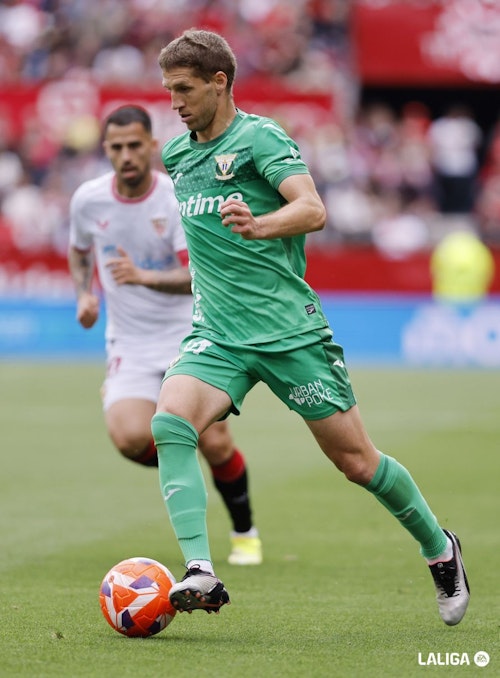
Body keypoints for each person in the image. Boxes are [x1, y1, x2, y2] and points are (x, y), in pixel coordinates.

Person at [152, 29, 470, 625]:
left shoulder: (260, 137)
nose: (175, 102)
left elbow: (313, 209)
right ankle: (199, 569)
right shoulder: (177, 155)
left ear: (220, 82)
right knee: (170, 422)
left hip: (288, 333)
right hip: (218, 335)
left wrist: (260, 224)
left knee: (358, 463)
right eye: (169, 90)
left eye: (185, 89)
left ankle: (438, 547)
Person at [67, 104, 262, 567]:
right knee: (129, 438)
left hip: (187, 336)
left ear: (152, 146)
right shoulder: (88, 200)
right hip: (130, 343)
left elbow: (197, 274)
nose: (126, 156)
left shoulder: (174, 198)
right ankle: (182, 453)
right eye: (117, 147)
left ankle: (245, 532)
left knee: (216, 444)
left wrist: (142, 277)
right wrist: (84, 294)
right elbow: (79, 251)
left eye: (135, 145)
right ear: (106, 149)